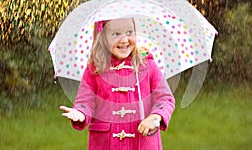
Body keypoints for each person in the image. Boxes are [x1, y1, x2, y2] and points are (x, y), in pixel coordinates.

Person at [60, 18, 175, 150]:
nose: (124, 40)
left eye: (129, 32)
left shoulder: (147, 64)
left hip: (142, 143)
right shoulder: (95, 69)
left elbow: (165, 99)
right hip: (106, 143)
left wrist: (156, 117)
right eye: (116, 34)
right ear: (103, 37)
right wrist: (80, 113)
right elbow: (85, 102)